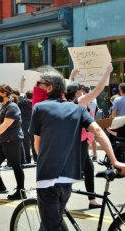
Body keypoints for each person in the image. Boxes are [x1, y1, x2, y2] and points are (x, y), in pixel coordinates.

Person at [29, 69, 125, 231]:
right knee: (53, 220)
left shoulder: (39, 108)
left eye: (40, 84)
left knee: (51, 225)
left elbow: (37, 145)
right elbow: (99, 132)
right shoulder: (78, 109)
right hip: (68, 178)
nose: (38, 87)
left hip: (47, 178)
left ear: (50, 88)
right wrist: (114, 161)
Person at [66, 64, 112, 209]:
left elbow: (69, 87)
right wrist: (107, 72)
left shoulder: (68, 101)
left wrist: (72, 75)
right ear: (78, 91)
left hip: (79, 141)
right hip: (80, 141)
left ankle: (91, 200)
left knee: (88, 168)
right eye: (80, 89)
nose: (82, 90)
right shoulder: (80, 101)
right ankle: (58, 201)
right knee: (72, 174)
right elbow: (99, 89)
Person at [0, 84, 25, 200]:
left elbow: (6, 124)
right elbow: (0, 119)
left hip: (12, 141)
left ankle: (21, 191)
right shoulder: (4, 105)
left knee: (16, 166)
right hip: (2, 140)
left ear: (4, 93)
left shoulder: (13, 107)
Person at [18, 90, 36, 163]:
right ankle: (36, 158)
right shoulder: (36, 103)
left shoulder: (22, 103)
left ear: (26, 96)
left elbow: (19, 100)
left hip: (24, 125)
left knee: (26, 143)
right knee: (34, 142)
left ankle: (27, 159)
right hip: (33, 124)